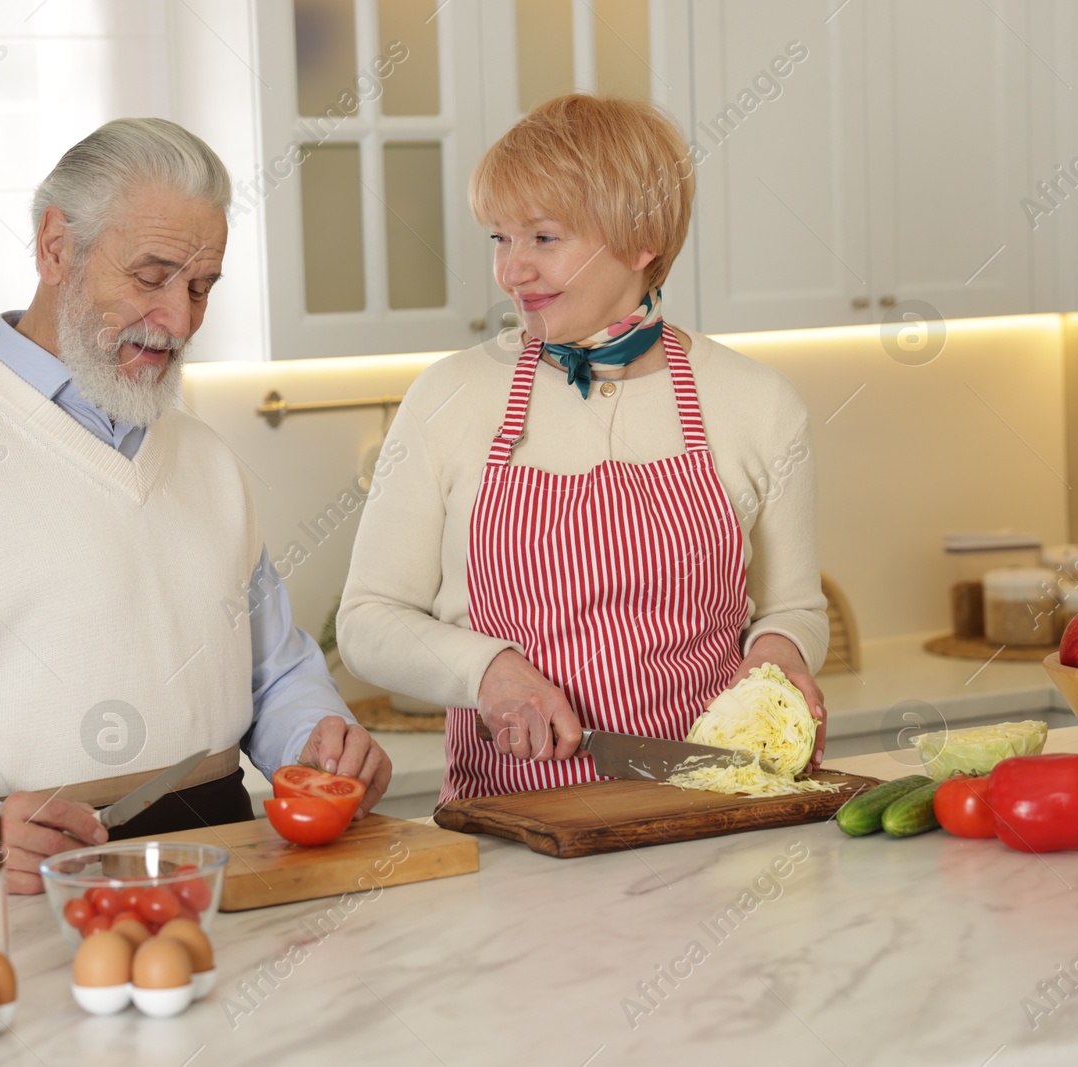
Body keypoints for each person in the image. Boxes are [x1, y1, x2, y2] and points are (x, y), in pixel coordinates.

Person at [0, 118, 391, 891]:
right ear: (56, 247)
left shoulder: (207, 460)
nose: (182, 320)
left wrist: (323, 740)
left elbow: (273, 676)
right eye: (152, 276)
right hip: (22, 883)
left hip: (231, 867)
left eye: (200, 288)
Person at [337, 94, 826, 803]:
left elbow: (794, 607)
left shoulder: (759, 402)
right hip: (514, 836)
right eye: (500, 239)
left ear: (641, 240)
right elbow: (367, 621)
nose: (511, 272)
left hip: (709, 819)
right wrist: (488, 669)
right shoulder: (450, 396)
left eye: (542, 237)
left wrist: (779, 656)